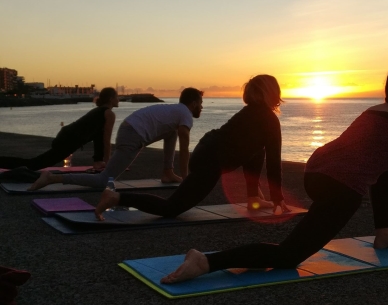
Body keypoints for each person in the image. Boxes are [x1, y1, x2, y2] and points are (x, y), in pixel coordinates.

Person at [158, 61, 388, 285]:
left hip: (315, 170)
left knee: (379, 167)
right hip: (340, 185)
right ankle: (206, 260)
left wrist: (381, 228)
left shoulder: (376, 111)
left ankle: (383, 234)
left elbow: (382, 164)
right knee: (289, 255)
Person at [94, 74, 290, 220]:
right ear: (273, 93)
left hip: (206, 149)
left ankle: (253, 198)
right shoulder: (268, 120)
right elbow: (274, 163)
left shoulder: (250, 112)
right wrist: (278, 199)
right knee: (171, 208)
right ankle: (116, 197)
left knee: (257, 149)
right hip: (210, 161)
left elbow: (257, 155)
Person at [28, 87, 203, 190]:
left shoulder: (176, 112)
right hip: (132, 134)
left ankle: (167, 172)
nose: (202, 107)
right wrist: (187, 179)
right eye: (200, 103)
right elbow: (185, 150)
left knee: (171, 132)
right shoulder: (185, 114)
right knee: (104, 181)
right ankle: (52, 178)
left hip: (130, 129)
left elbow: (176, 140)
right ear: (193, 103)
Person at [0, 87, 119, 171]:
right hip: (68, 140)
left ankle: (98, 162)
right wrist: (108, 164)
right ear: (110, 99)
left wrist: (99, 160)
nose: (118, 99)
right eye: (116, 97)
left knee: (35, 163)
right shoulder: (108, 113)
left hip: (66, 136)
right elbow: (106, 141)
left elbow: (98, 137)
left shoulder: (100, 111)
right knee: (34, 165)